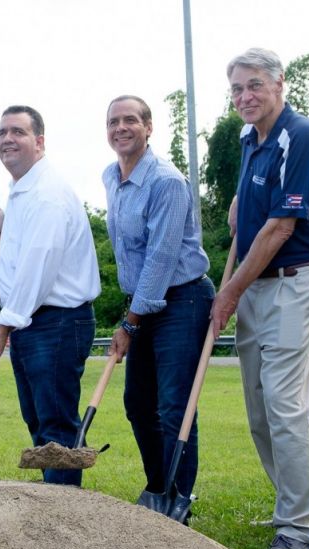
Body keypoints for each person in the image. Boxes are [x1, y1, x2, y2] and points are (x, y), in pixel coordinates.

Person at [211, 48, 309, 549]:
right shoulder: (250, 140)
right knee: (261, 409)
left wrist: (228, 293)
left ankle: (301, 531)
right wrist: (240, 208)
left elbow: (282, 227)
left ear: (279, 83)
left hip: (295, 277)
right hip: (257, 283)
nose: (245, 96)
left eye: (254, 85)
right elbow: (249, 215)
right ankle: (303, 503)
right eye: (237, 88)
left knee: (285, 404)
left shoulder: (298, 133)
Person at [102, 95, 214, 522]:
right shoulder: (111, 177)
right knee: (137, 403)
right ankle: (156, 486)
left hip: (183, 299)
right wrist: (134, 311)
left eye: (131, 120)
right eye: (113, 121)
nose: (121, 128)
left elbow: (161, 258)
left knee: (173, 406)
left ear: (149, 127)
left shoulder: (166, 181)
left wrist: (130, 321)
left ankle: (178, 495)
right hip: (145, 303)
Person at [0, 105, 101, 486]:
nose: (7, 140)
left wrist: (3, 325)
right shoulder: (23, 190)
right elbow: (19, 259)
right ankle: (53, 504)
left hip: (57, 320)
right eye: (2, 133)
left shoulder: (47, 194)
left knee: (55, 423)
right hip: (34, 322)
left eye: (17, 132)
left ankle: (63, 512)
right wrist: (4, 222)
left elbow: (39, 266)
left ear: (40, 141)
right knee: (38, 418)